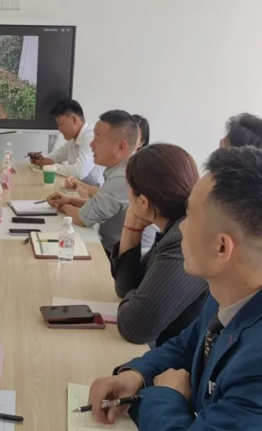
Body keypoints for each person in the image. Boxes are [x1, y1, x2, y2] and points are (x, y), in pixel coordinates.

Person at [88, 146, 262, 431]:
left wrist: (165, 396)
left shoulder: (257, 366)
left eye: (190, 217)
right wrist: (135, 375)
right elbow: (186, 346)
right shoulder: (228, 292)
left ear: (221, 247)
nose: (181, 228)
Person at [110, 144, 208, 346]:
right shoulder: (174, 228)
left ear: (143, 203)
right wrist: (132, 228)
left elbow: (135, 328)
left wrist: (136, 298)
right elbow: (126, 287)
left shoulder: (183, 239)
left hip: (183, 359)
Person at [46, 110, 154, 253]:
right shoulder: (127, 167)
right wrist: (70, 200)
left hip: (125, 257)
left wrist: (62, 205)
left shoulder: (122, 177)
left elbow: (82, 218)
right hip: (117, 248)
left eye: (97, 139)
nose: (92, 145)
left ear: (121, 146)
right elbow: (99, 205)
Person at [67, 113, 150, 198]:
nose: (92, 144)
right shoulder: (114, 164)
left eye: (135, 136)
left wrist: (83, 199)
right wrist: (79, 185)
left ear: (142, 143)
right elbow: (106, 194)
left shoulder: (125, 175)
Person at [29, 99, 104, 187]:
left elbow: (79, 172)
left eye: (60, 124)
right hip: (79, 189)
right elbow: (57, 156)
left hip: (94, 192)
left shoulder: (91, 136)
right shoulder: (74, 138)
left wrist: (51, 166)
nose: (59, 129)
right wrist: (41, 160)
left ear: (73, 119)